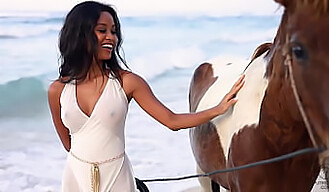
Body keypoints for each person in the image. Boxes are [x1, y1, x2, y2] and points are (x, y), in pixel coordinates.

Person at [47, 1, 245, 192]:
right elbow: (69, 143)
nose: (111, 37)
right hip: (76, 177)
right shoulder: (57, 90)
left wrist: (219, 109)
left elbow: (172, 120)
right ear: (81, 34)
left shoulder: (128, 82)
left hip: (117, 176)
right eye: (102, 30)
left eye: (113, 31)